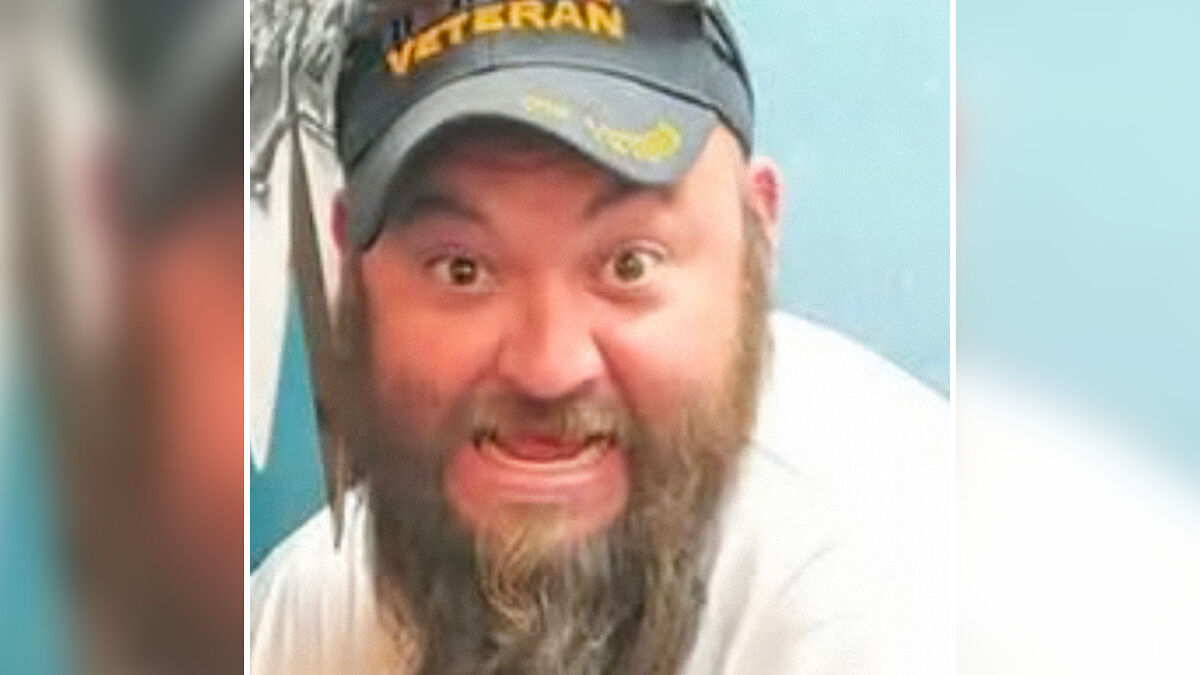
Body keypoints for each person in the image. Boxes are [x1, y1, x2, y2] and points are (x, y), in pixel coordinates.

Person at [249, 2, 951, 673]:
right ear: (349, 272)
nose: (548, 367)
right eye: (462, 269)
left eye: (629, 264)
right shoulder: (302, 616)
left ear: (754, 237)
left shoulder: (895, 597)